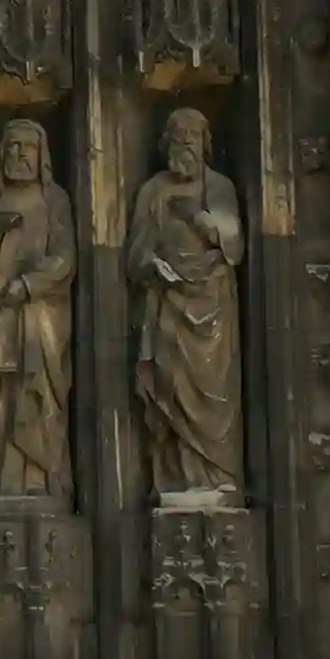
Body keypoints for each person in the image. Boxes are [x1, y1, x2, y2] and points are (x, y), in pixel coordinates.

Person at [126, 108, 244, 500]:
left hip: (212, 304)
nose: (185, 143)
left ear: (206, 144)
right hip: (167, 303)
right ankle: (175, 478)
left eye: (193, 136)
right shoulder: (152, 192)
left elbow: (234, 245)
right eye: (178, 137)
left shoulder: (219, 187)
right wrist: (153, 266)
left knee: (214, 388)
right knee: (170, 388)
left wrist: (201, 220)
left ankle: (215, 477)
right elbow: (135, 253)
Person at [0, 120, 76, 497]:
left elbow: (65, 258)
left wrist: (27, 286)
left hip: (40, 321)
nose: (20, 153)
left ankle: (39, 483)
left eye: (28, 146)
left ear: (42, 155)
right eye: (12, 146)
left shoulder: (54, 199)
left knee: (38, 396)